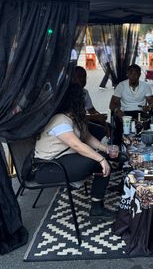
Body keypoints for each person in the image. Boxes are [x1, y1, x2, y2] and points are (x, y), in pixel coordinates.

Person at [33, 83, 119, 219]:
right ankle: (97, 209)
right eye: (81, 100)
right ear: (75, 102)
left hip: (62, 161)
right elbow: (77, 145)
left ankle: (97, 207)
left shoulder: (74, 117)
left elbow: (87, 137)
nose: (84, 104)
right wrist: (101, 159)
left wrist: (106, 149)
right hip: (47, 168)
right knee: (98, 161)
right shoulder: (60, 120)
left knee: (100, 158)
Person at [109, 64, 153, 145]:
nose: (133, 76)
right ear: (127, 74)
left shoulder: (145, 86)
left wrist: (149, 107)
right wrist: (117, 111)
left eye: (136, 73)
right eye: (131, 73)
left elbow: (152, 103)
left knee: (145, 126)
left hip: (140, 113)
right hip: (125, 113)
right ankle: (117, 151)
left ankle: (145, 147)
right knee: (118, 130)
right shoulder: (121, 85)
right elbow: (112, 104)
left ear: (140, 74)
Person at [72, 66, 111, 142]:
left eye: (84, 77)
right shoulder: (67, 94)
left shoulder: (84, 92)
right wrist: (93, 117)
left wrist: (101, 118)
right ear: (72, 78)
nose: (82, 79)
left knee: (109, 126)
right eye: (79, 77)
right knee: (100, 130)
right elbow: (72, 117)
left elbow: (92, 110)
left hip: (83, 120)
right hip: (73, 124)